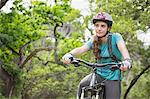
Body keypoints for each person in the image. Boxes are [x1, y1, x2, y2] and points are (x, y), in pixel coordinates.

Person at [62, 12, 132, 99]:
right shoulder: (94, 40)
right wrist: (69, 54)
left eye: (103, 26)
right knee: (83, 84)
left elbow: (123, 49)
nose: (99, 29)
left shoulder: (116, 37)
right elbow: (81, 49)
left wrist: (127, 61)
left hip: (112, 75)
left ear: (108, 28)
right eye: (97, 25)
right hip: (98, 74)